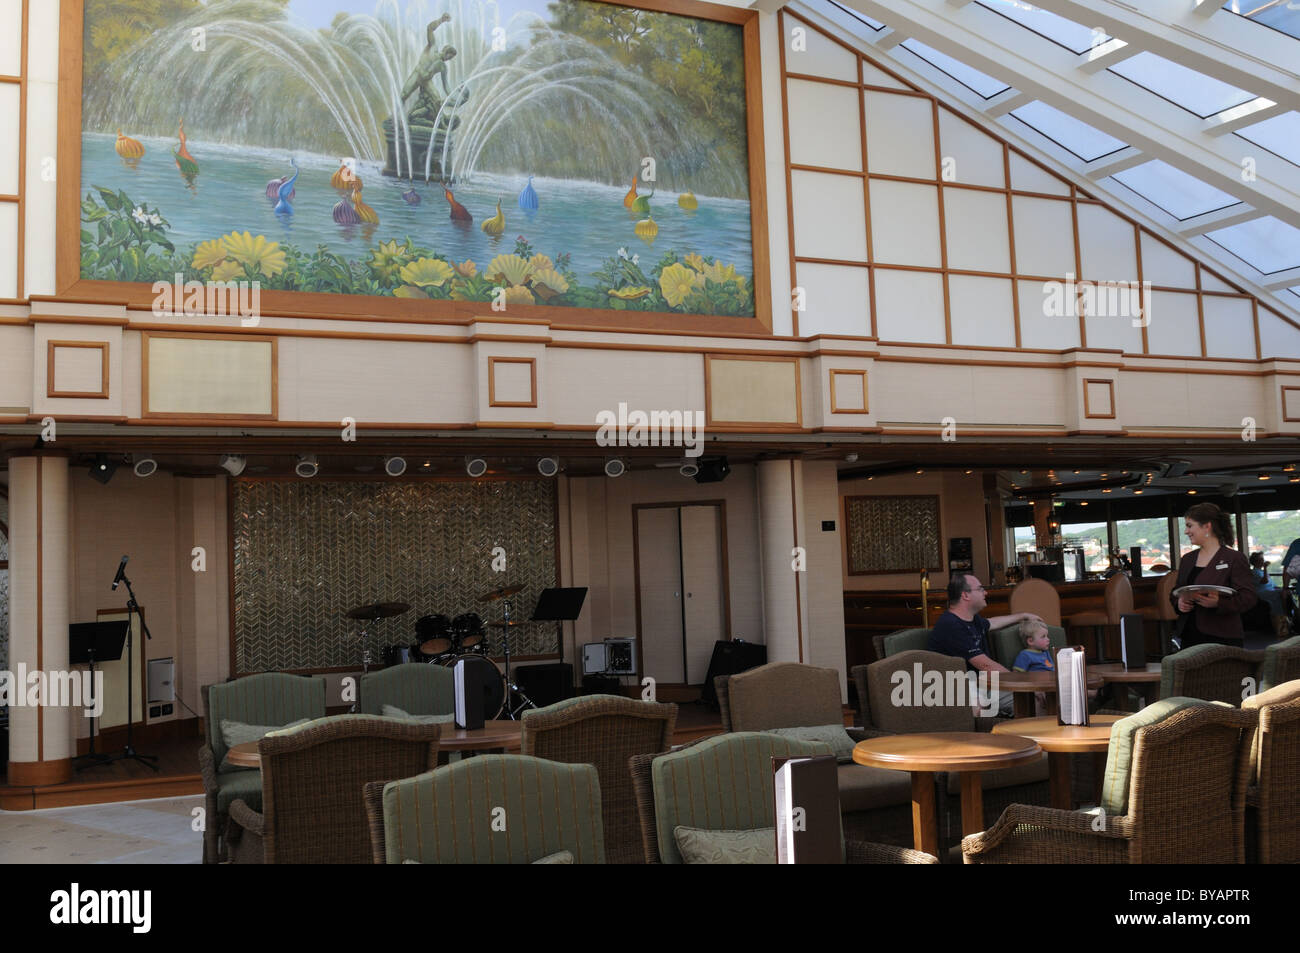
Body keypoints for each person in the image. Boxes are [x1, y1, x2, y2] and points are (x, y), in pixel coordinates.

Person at [928, 574, 1042, 716]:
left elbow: (992, 623)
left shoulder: (972, 619)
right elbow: (985, 665)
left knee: (1033, 700)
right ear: (965, 595)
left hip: (981, 685)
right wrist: (1024, 684)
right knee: (1028, 696)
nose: (986, 592)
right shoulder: (951, 625)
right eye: (981, 589)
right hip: (957, 687)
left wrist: (1023, 616)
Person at [1170, 503, 1257, 647]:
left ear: (1207, 527)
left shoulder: (1234, 558)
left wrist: (1219, 603)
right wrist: (1179, 602)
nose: (1186, 531)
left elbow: (1249, 598)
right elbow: (1176, 591)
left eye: (1189, 526)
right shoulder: (1187, 559)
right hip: (1189, 637)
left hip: (1223, 637)